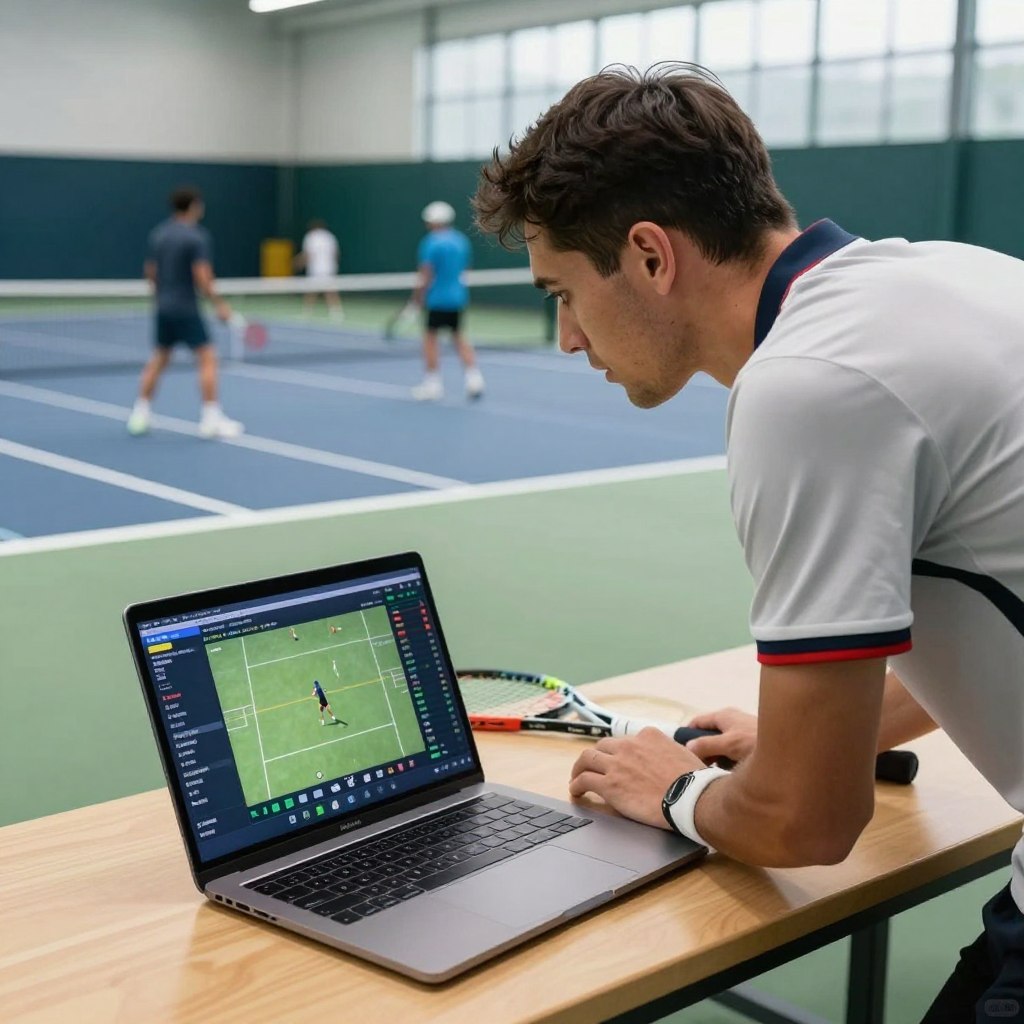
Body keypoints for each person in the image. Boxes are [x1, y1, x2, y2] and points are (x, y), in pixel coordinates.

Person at [473, 65, 1024, 1020]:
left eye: (563, 291)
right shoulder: (958, 272)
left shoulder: (809, 385)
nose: (566, 336)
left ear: (650, 256)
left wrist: (678, 791)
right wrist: (807, 737)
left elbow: (808, 820)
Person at [127, 187, 243, 439]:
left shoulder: (159, 234)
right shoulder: (196, 237)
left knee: (159, 358)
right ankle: (211, 418)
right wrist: (220, 305)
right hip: (186, 308)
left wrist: (162, 296)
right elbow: (202, 275)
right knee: (208, 358)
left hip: (163, 307)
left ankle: (140, 412)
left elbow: (150, 271)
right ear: (193, 206)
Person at [411, 201, 485, 401]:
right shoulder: (461, 241)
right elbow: (466, 269)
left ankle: (432, 384)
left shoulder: (431, 242)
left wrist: (417, 298)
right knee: (459, 337)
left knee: (430, 339)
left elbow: (426, 274)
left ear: (434, 221)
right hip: (458, 298)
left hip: (437, 300)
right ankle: (474, 379)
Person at [294, 218, 343, 320]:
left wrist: (298, 263)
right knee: (330, 291)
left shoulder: (310, 237)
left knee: (311, 291)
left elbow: (308, 254)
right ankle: (337, 313)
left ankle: (307, 313)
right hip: (329, 268)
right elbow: (336, 254)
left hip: (316, 269)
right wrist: (335, 266)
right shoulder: (330, 237)